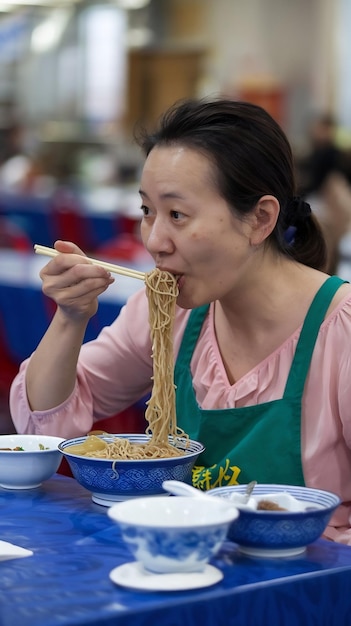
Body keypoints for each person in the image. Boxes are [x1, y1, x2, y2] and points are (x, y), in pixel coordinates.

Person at [9, 98, 351, 545]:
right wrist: (71, 318)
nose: (154, 240)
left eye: (177, 215)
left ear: (261, 219)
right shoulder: (171, 313)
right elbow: (46, 429)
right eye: (147, 211)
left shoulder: (339, 329)